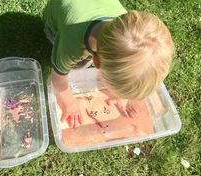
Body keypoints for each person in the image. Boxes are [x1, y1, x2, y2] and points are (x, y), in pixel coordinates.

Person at [43, 0, 174, 128]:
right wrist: (68, 103)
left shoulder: (124, 25)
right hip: (54, 18)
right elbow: (58, 78)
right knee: (77, 66)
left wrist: (120, 95)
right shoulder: (71, 48)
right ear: (96, 62)